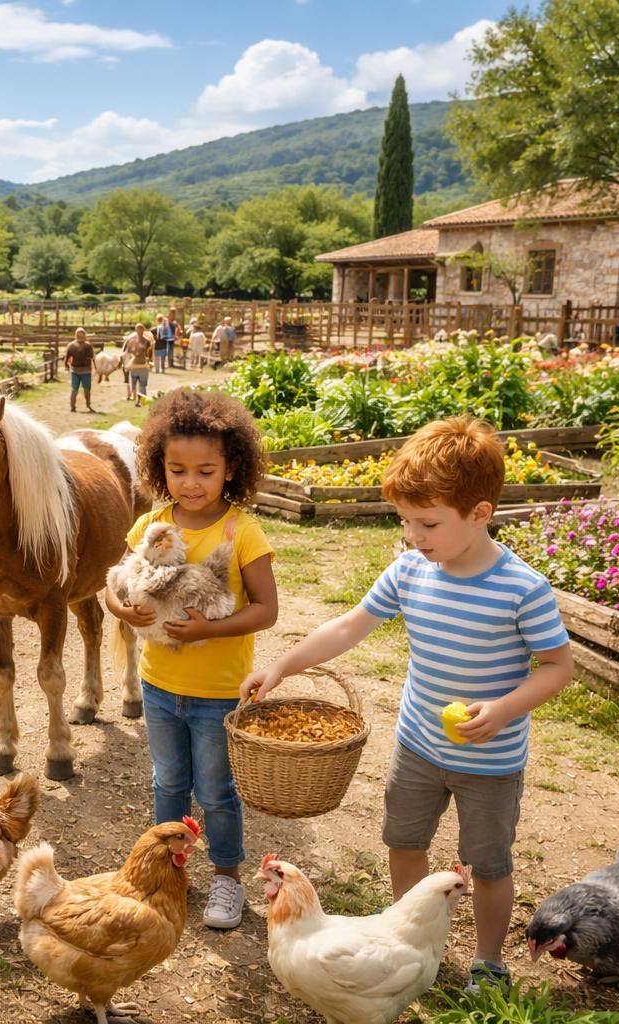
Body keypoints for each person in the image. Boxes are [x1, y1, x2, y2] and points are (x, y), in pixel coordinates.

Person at [242, 416, 574, 992]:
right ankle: (407, 936)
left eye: (428, 523)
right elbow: (349, 626)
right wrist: (281, 666)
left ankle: (490, 962)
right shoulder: (410, 569)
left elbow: (557, 668)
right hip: (418, 745)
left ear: (479, 514)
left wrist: (503, 708)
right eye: (405, 522)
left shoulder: (522, 589)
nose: (414, 536)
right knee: (404, 841)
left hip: (490, 761)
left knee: (488, 864)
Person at [102, 388, 277, 931]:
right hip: (158, 685)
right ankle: (163, 871)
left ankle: (226, 876)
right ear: (160, 468)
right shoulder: (153, 523)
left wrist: (210, 627)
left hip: (219, 691)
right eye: (177, 470)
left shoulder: (241, 531)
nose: (191, 483)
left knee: (216, 790)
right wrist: (120, 610)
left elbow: (267, 610)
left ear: (232, 469)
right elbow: (114, 585)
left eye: (206, 470)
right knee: (167, 782)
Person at [65, 327, 96, 413]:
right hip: (82, 370)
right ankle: (86, 404)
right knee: (83, 389)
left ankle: (74, 406)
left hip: (78, 370)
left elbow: (67, 358)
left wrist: (66, 366)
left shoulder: (74, 345)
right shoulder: (87, 345)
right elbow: (92, 358)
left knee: (76, 389)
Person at [123, 321, 153, 407]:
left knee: (142, 384)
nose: (140, 331)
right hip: (134, 365)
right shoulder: (131, 340)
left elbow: (149, 353)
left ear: (144, 330)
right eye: (139, 329)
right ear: (136, 330)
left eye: (142, 329)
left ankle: (140, 401)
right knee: (134, 384)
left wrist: (149, 361)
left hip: (143, 365)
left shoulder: (147, 341)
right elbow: (127, 352)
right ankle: (138, 399)